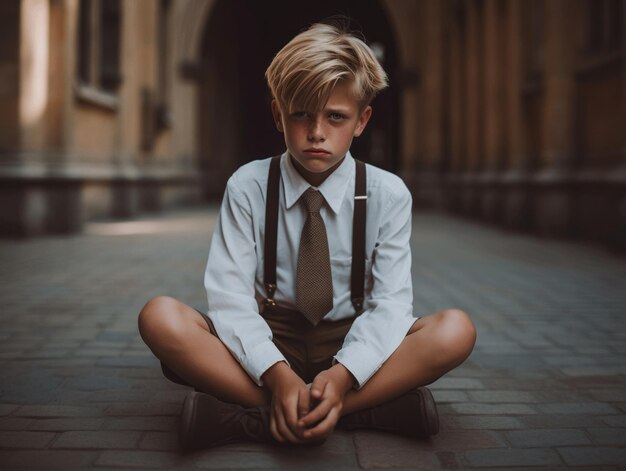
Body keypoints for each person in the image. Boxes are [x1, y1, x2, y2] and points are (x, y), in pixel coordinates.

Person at [138, 20, 476, 450]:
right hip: (270, 338)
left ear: (361, 121)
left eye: (336, 117)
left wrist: (343, 376)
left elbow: (390, 305)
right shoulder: (249, 186)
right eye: (302, 114)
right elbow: (230, 300)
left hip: (350, 343)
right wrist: (277, 374)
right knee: (160, 318)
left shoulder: (387, 194)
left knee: (455, 330)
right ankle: (356, 410)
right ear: (279, 114)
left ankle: (265, 416)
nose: (317, 132)